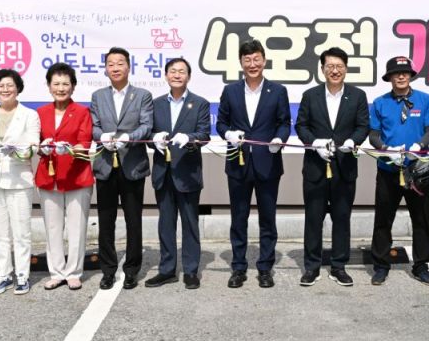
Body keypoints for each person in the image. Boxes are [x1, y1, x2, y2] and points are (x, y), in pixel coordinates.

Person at [216, 38, 291, 289]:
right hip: (237, 164)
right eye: (247, 60)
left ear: (264, 60)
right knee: (239, 218)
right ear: (241, 63)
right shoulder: (231, 91)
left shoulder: (277, 91)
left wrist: (279, 139)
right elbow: (221, 122)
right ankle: (238, 267)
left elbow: (284, 122)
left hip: (268, 162)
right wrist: (228, 134)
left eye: (256, 59)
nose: (252, 64)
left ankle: (265, 268)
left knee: (267, 219)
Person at [294, 47, 370, 287]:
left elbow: (363, 126)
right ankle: (312, 267)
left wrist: (353, 141)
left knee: (342, 219)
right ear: (322, 69)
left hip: (344, 168)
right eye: (330, 66)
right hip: (315, 168)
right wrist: (314, 143)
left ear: (346, 69)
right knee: (313, 219)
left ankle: (339, 266)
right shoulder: (310, 95)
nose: (335, 71)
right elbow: (301, 126)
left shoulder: (357, 96)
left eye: (339, 66)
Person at [368, 56, 429, 286]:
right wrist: (385, 149)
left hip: (417, 171)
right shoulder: (379, 103)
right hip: (388, 169)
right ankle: (381, 265)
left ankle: (421, 266)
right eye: (396, 73)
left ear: (410, 75)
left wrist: (420, 145)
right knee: (383, 220)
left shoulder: (425, 99)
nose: (401, 76)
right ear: (389, 77)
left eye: (405, 72)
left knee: (421, 220)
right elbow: (373, 135)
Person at [89, 47, 153, 291]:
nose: (115, 68)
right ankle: (108, 270)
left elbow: (147, 125)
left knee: (133, 221)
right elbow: (93, 126)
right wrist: (101, 136)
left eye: (120, 63)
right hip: (105, 165)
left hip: (132, 165)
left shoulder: (142, 95)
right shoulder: (98, 96)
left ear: (129, 67)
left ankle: (132, 270)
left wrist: (129, 137)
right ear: (105, 69)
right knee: (106, 221)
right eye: (111, 64)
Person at [145, 57, 212, 289]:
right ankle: (167, 270)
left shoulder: (200, 103)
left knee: (190, 223)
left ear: (188, 77)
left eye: (181, 71)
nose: (177, 75)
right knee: (166, 224)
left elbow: (204, 134)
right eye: (172, 71)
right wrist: (154, 139)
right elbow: (148, 134)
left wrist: (190, 138)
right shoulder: (156, 104)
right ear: (166, 75)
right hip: (163, 173)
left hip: (188, 173)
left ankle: (191, 270)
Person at [0, 69, 41, 295]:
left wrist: (17, 151)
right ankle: (3, 274)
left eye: (10, 85)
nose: (5, 90)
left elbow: (33, 145)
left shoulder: (29, 115)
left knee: (21, 231)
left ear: (18, 88)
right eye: (1, 86)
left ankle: (22, 275)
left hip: (18, 179)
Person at [35, 63, 95, 291]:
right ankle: (57, 272)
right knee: (52, 227)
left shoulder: (82, 112)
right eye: (56, 84)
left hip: (77, 176)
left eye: (65, 84)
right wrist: (42, 147)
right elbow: (35, 144)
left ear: (73, 86)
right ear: (49, 86)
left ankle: (74, 272)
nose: (61, 88)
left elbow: (85, 142)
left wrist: (70, 148)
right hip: (49, 176)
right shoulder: (41, 113)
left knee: (77, 227)